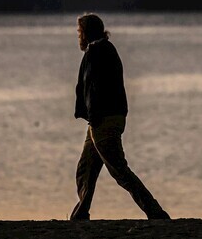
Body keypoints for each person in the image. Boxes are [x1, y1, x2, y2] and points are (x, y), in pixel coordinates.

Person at [70, 13, 170, 220]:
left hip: (104, 120)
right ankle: (80, 214)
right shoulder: (97, 51)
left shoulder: (101, 52)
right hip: (98, 120)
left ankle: (155, 212)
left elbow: (100, 88)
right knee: (86, 168)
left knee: (119, 171)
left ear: (87, 32)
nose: (78, 35)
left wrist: (94, 114)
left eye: (80, 31)